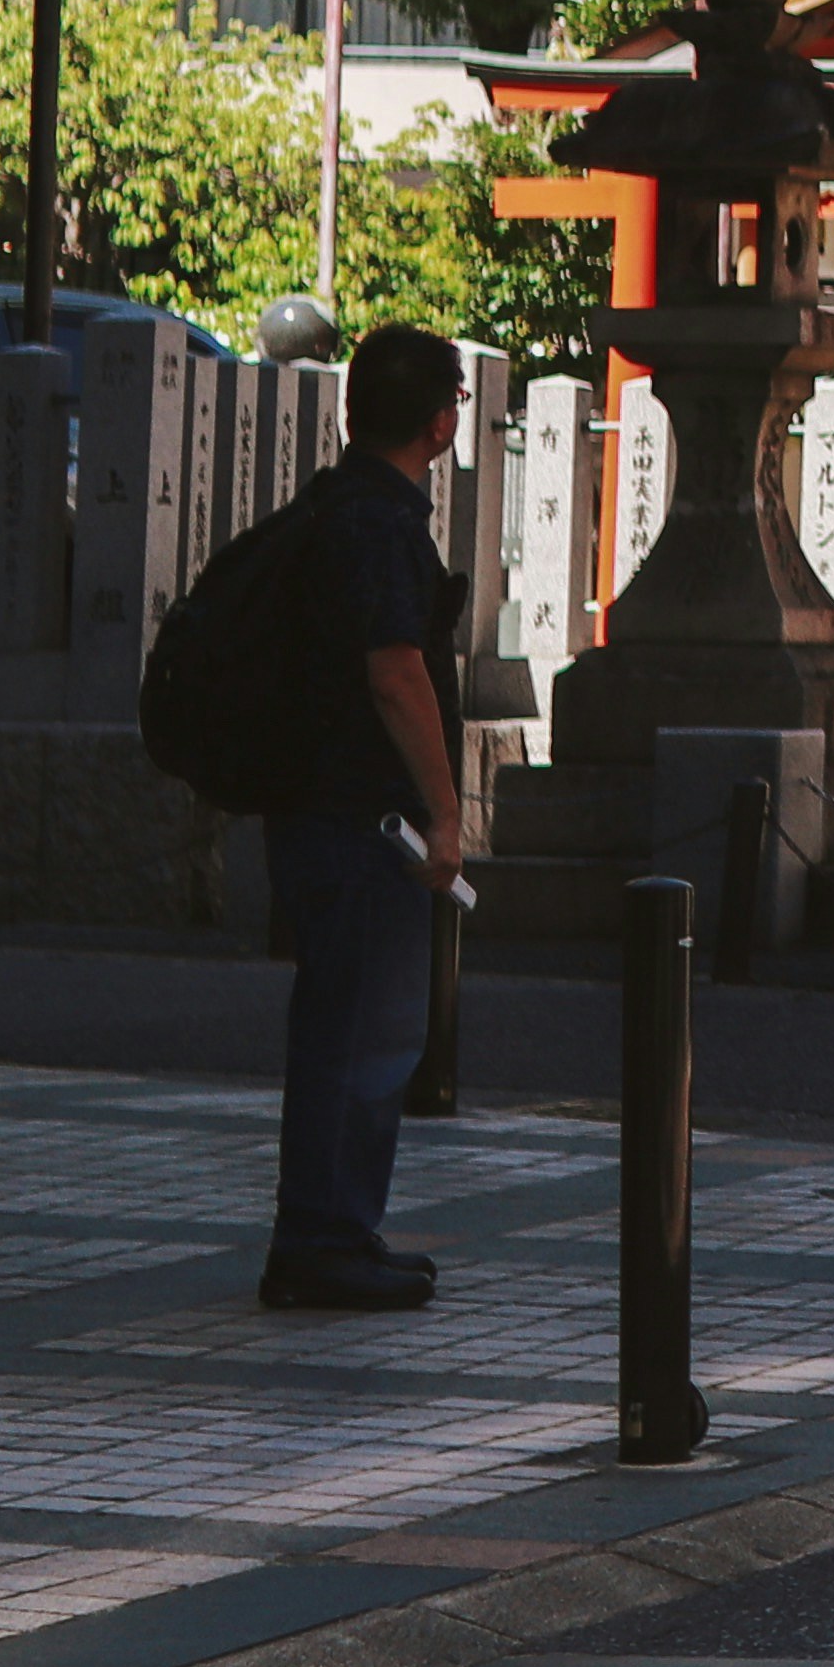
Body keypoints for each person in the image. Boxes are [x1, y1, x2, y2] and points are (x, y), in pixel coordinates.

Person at [258, 326, 469, 1313]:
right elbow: (396, 672)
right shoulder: (380, 524)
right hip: (360, 817)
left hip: (313, 804)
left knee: (348, 1027)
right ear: (440, 419)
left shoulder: (331, 505)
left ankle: (338, 1228)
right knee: (361, 1033)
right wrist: (445, 808)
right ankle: (323, 1237)